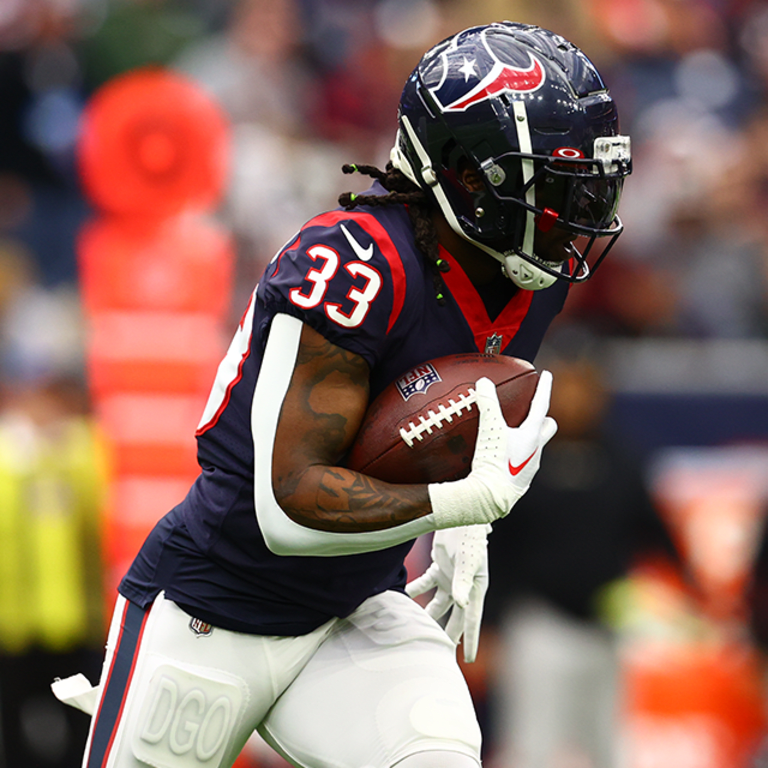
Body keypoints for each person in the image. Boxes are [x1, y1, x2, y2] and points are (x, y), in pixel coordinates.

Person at [63, 21, 631, 768]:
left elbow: (468, 414)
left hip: (353, 609)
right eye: (549, 185)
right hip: (214, 606)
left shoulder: (528, 272)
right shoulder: (352, 264)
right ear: (464, 174)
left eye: (584, 182)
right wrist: (459, 506)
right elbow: (287, 503)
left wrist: (468, 525)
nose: (571, 212)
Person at [481, 337, 680, 768]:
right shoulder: (523, 460)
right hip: (537, 625)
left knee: (608, 746)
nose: (576, 398)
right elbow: (498, 546)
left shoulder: (622, 461)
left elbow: (657, 532)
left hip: (608, 631)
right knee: (531, 746)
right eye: (566, 387)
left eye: (584, 386)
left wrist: (691, 592)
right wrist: (489, 624)